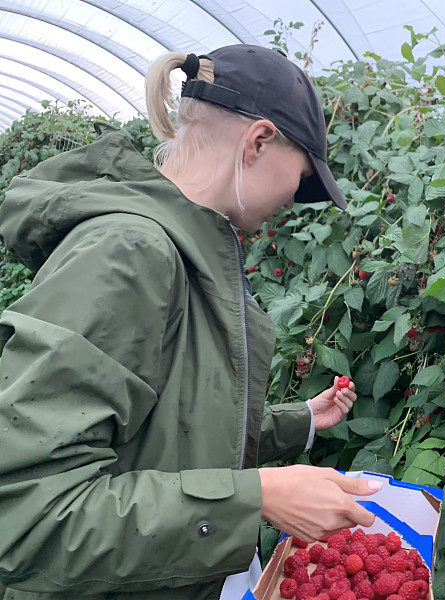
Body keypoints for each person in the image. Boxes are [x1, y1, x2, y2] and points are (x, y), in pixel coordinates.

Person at [0, 45, 382, 600]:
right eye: (301, 179)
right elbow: (26, 515)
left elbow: (170, 429)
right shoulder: (127, 253)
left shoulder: (188, 253)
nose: (296, 201)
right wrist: (256, 498)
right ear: (257, 143)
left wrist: (297, 421)